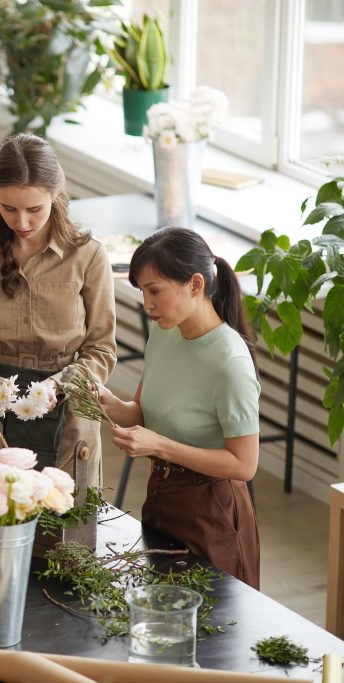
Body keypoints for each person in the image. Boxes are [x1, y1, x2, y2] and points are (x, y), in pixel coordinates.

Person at [0, 133, 117, 481]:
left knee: (66, 531)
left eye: (35, 209)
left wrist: (58, 385)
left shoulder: (89, 255)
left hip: (69, 419)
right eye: (9, 208)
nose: (22, 223)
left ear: (56, 196)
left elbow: (102, 350)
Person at [97, 227, 261, 588]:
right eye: (142, 291)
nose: (147, 304)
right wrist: (105, 402)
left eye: (155, 291)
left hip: (212, 513)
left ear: (196, 284)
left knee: (212, 631)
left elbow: (244, 465)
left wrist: (158, 445)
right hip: (161, 497)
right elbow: (142, 412)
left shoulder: (229, 362)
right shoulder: (163, 332)